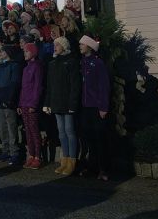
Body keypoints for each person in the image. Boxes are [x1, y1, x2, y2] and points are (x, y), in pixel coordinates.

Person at [44, 37, 81, 176]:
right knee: (61, 133)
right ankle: (64, 161)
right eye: (54, 44)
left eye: (58, 44)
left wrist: (73, 103)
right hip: (56, 103)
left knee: (70, 132)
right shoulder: (52, 64)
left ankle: (72, 162)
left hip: (67, 103)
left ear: (64, 46)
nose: (55, 46)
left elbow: (75, 85)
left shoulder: (70, 62)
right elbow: (49, 86)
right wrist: (47, 103)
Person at [79, 35, 111, 181]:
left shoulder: (98, 63)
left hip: (96, 106)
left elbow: (103, 86)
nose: (80, 46)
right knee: (88, 138)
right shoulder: (83, 62)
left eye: (82, 44)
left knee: (99, 139)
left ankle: (103, 169)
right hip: (85, 106)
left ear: (89, 47)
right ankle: (90, 167)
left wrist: (103, 106)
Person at [0, 45, 22, 165]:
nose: (1, 53)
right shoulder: (0, 67)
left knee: (11, 127)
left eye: (3, 51)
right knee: (3, 127)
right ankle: (5, 151)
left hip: (8, 101)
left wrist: (10, 99)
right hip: (0, 99)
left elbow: (14, 83)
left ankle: (14, 152)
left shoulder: (14, 66)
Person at [18, 43, 43, 169]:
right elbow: (23, 88)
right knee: (27, 131)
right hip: (24, 104)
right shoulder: (26, 68)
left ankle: (38, 156)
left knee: (34, 131)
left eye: (27, 51)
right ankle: (31, 155)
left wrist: (34, 103)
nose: (25, 54)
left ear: (33, 52)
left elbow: (37, 87)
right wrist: (20, 103)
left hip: (31, 104)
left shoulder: (37, 67)